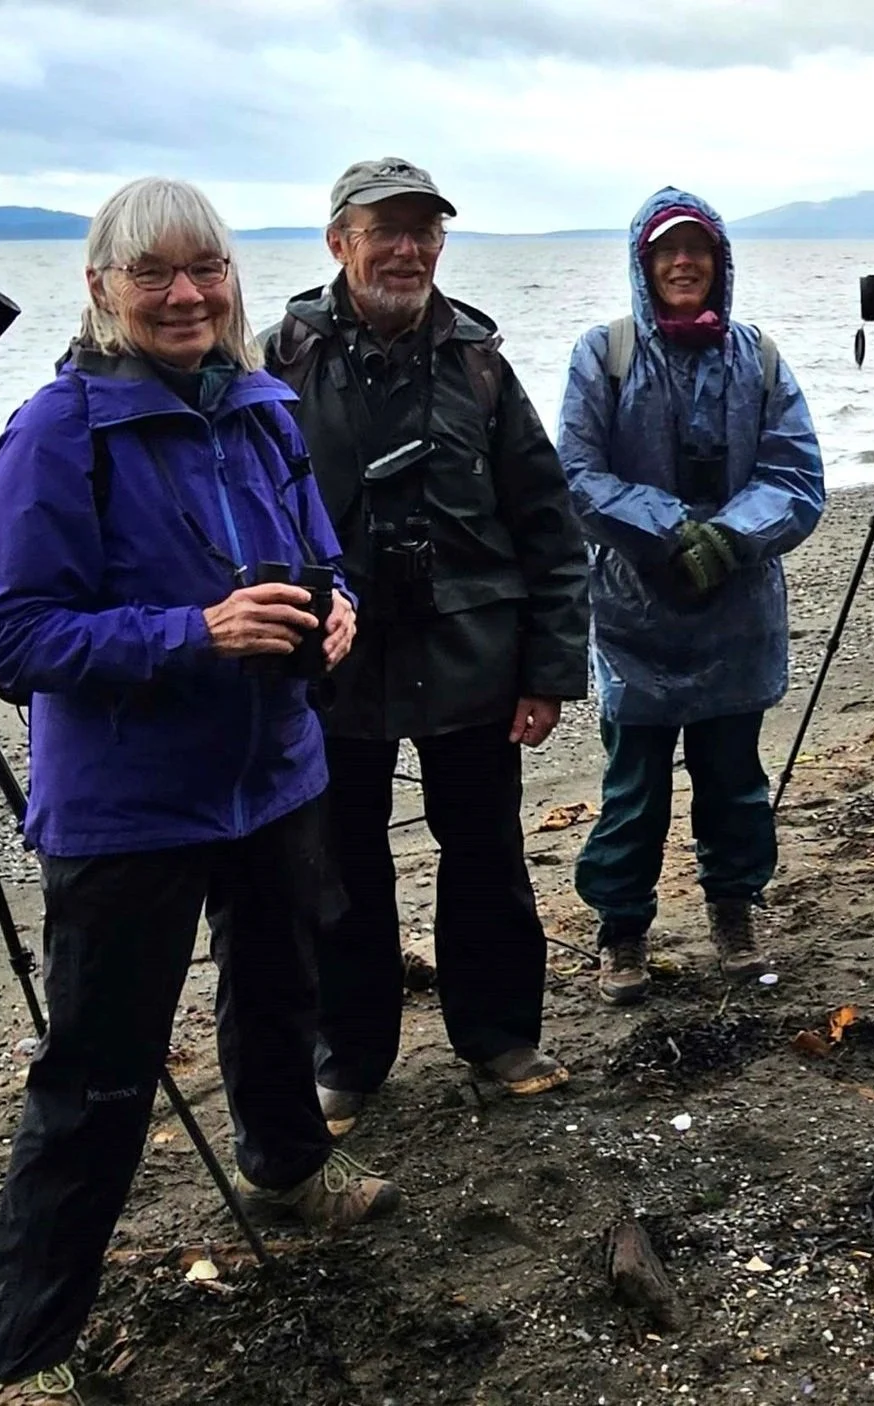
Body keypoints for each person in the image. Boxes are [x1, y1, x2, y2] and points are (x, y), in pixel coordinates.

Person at [0, 176, 400, 1406]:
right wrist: (192, 632)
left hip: (274, 772)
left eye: (202, 269)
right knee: (99, 1068)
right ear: (101, 288)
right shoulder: (59, 429)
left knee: (280, 994)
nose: (184, 294)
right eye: (152, 273)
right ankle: (29, 1349)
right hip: (129, 802)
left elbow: (321, 558)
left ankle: (287, 1167)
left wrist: (341, 614)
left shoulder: (261, 409)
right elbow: (13, 639)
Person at [264, 157, 589, 1134]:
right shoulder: (278, 360)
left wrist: (547, 668)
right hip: (335, 657)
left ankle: (499, 1036)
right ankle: (347, 1056)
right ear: (338, 242)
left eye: (423, 231)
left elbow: (548, 521)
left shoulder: (481, 361)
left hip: (473, 654)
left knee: (487, 851)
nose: (406, 249)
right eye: (384, 230)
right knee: (338, 864)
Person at [557, 187, 824, 1004]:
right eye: (667, 251)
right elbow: (577, 472)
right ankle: (622, 931)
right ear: (644, 262)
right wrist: (670, 530)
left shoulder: (761, 358)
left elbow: (797, 475)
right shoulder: (601, 354)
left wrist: (732, 537)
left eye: (697, 250)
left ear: (719, 262)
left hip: (738, 612)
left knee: (733, 775)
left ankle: (734, 911)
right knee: (632, 786)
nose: (683, 264)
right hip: (635, 611)